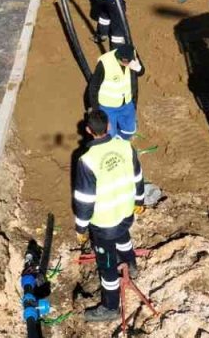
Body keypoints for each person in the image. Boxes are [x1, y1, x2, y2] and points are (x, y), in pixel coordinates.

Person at [73, 107, 145, 323]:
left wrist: (81, 227)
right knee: (122, 237)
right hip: (125, 212)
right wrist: (139, 200)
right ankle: (131, 265)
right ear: (109, 126)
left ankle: (111, 307)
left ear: (88, 130)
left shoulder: (87, 160)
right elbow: (137, 176)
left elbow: (85, 199)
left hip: (104, 223)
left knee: (106, 265)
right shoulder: (125, 146)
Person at [84, 44, 144, 140]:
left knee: (130, 131)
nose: (128, 65)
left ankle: (120, 142)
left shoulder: (132, 54)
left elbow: (141, 72)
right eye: (125, 62)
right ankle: (114, 144)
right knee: (110, 135)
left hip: (127, 104)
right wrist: (96, 110)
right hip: (108, 107)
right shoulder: (104, 63)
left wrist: (138, 68)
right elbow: (93, 87)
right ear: (119, 58)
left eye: (129, 62)